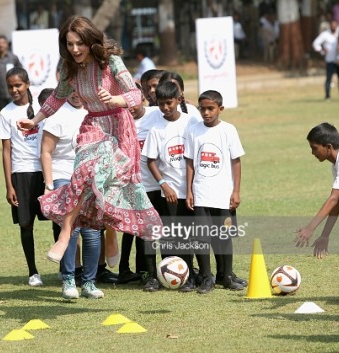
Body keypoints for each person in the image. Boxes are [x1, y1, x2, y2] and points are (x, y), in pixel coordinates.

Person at [17, 15, 161, 265]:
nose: (74, 49)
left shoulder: (110, 61)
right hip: (93, 124)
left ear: (90, 41)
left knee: (103, 180)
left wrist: (115, 100)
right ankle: (65, 232)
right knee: (83, 175)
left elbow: (136, 96)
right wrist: (35, 120)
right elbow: (56, 98)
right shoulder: (69, 67)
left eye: (79, 44)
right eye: (70, 44)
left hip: (118, 126)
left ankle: (111, 233)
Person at [40, 90, 104, 299]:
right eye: (72, 90)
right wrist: (49, 184)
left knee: (92, 232)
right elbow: (46, 152)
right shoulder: (57, 116)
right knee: (71, 230)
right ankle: (68, 280)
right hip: (64, 176)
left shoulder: (94, 113)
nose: (77, 94)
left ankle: (89, 282)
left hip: (90, 178)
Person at [141, 81, 202, 292]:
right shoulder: (156, 129)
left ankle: (191, 275)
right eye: (161, 104)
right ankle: (164, 275)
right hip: (171, 192)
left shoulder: (191, 121)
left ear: (179, 99)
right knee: (169, 236)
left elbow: (195, 155)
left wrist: (194, 187)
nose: (165, 108)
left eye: (169, 103)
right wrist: (163, 184)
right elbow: (150, 160)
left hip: (192, 190)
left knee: (190, 235)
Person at [185, 90, 246, 292]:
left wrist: (236, 191)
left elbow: (236, 162)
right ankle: (206, 278)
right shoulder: (193, 130)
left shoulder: (229, 130)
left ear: (220, 109)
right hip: (201, 194)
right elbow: (190, 163)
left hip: (223, 196)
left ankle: (227, 276)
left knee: (224, 236)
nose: (206, 113)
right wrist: (189, 190)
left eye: (210, 108)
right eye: (202, 109)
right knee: (202, 237)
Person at [294, 122, 339, 309]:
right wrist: (325, 234)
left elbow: (334, 199)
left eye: (314, 148)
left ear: (328, 147)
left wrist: (310, 228)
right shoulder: (337, 165)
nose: (312, 153)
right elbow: (338, 203)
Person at [0, 67, 46, 287]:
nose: (14, 90)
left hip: (46, 171)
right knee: (26, 224)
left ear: (27, 84)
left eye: (18, 85)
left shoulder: (42, 108)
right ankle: (33, 272)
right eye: (10, 86)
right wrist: (9, 185)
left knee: (58, 221)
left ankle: (69, 269)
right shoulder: (6, 113)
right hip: (21, 173)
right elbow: (6, 150)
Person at [117, 83, 159, 285]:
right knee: (131, 228)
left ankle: (152, 269)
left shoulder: (155, 115)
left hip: (156, 184)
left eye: (132, 100)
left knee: (153, 230)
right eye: (125, 102)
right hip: (131, 184)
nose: (130, 105)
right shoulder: (120, 120)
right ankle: (127, 269)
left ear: (141, 97)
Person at [0, 35, 22, 111]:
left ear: (6, 44)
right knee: (3, 114)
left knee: (15, 113)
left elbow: (20, 72)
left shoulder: (13, 58)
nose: (1, 45)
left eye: (3, 42)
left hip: (13, 93)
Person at [313, 19, 339, 101]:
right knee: (328, 79)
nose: (333, 27)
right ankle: (327, 96)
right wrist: (322, 51)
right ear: (330, 26)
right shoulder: (325, 34)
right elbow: (315, 43)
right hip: (330, 60)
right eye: (332, 25)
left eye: (335, 25)